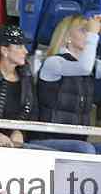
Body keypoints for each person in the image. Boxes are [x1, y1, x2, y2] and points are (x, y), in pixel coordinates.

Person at [31, 15, 101, 153]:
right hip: (47, 139)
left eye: (89, 30)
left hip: (78, 140)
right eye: (83, 30)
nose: (88, 34)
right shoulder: (54, 62)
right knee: (85, 150)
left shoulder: (93, 65)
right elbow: (84, 68)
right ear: (68, 36)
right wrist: (93, 35)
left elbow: (86, 65)